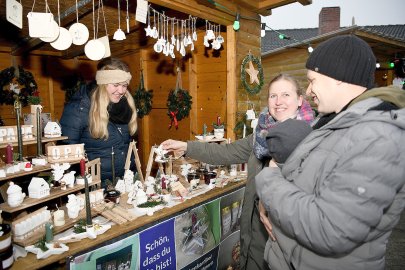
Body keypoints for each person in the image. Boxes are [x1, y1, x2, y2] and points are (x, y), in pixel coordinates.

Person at [256, 35, 405, 270]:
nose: (309, 89)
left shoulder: (378, 136)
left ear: (337, 78)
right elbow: (311, 176)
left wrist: (268, 181)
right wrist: (270, 200)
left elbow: (330, 229)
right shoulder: (332, 120)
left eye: (313, 80)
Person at [161, 73, 314, 270]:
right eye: (273, 96)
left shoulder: (310, 140)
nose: (278, 102)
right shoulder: (261, 134)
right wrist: (187, 147)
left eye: (286, 95)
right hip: (252, 232)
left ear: (300, 100)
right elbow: (226, 152)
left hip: (281, 238)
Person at [60, 57, 137, 187]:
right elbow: (67, 154)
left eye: (124, 85)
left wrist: (133, 176)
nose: (121, 91)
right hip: (94, 186)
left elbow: (125, 146)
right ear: (102, 83)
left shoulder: (124, 105)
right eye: (116, 85)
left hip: (124, 182)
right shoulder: (80, 108)